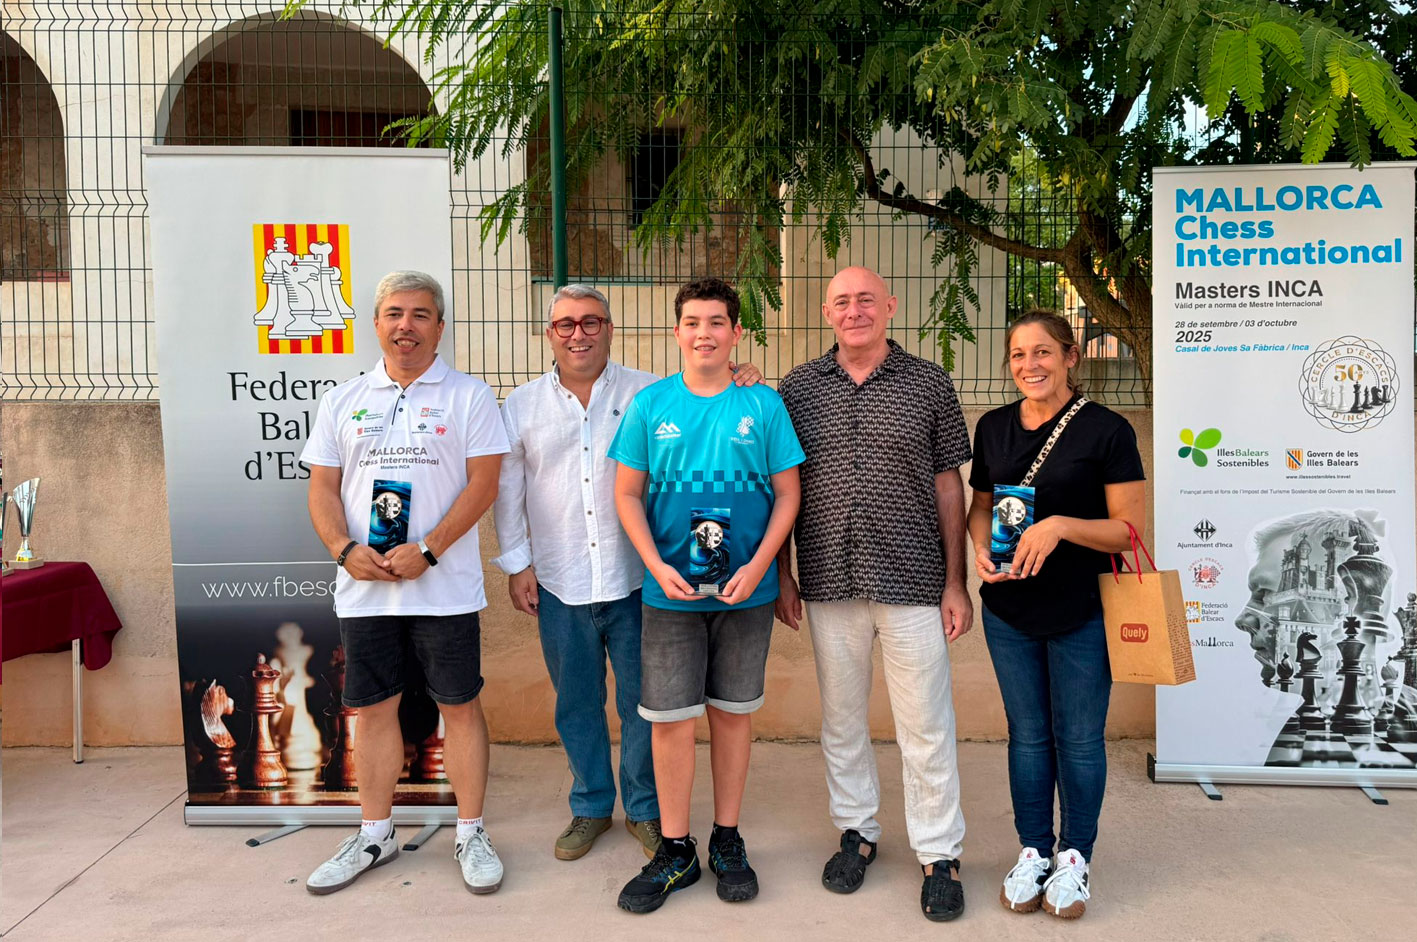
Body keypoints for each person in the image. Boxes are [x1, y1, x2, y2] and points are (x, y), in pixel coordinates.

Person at [491, 283, 761, 862]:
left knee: (645, 704)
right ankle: (591, 805)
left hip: (638, 580)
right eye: (565, 324)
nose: (579, 334)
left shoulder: (647, 392)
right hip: (560, 578)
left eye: (591, 322)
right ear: (550, 334)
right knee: (575, 701)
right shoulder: (521, 406)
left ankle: (644, 809)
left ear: (610, 330)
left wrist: (744, 375)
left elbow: (706, 399)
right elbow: (509, 489)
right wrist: (517, 564)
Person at [300, 270, 510, 896]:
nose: (406, 326)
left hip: (445, 589)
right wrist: (343, 550)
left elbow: (484, 484)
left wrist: (429, 550)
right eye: (394, 313)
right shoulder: (342, 400)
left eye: (420, 315)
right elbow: (322, 488)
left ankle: (470, 832)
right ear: (376, 324)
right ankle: (375, 834)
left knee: (459, 706)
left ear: (440, 327)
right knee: (372, 710)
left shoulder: (470, 396)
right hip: (365, 589)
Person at [777, 265, 973, 923]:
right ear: (825, 312)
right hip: (828, 579)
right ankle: (856, 832)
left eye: (865, 299)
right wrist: (783, 575)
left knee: (926, 725)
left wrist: (956, 582)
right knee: (841, 721)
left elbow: (948, 485)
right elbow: (780, 485)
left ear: (889, 306)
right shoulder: (797, 389)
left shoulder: (929, 383)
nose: (854, 310)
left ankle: (939, 854)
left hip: (915, 581)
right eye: (841, 301)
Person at [608, 277, 803, 913]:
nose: (704, 333)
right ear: (677, 331)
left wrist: (761, 567)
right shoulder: (650, 405)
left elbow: (789, 495)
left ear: (736, 332)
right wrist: (654, 566)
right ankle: (675, 849)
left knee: (732, 713)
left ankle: (726, 838)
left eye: (717, 322)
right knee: (669, 720)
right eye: (692, 322)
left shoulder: (763, 404)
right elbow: (627, 494)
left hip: (747, 593)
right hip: (670, 595)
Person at [965, 309, 1144, 920]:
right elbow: (981, 506)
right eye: (1018, 354)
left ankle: (1075, 858)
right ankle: (1034, 850)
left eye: (1042, 352)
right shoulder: (992, 427)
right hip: (1009, 609)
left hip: (1082, 610)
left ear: (1070, 357)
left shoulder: (1107, 431)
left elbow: (1128, 532)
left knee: (1080, 739)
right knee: (1028, 736)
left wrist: (1062, 525)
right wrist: (981, 551)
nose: (1029, 365)